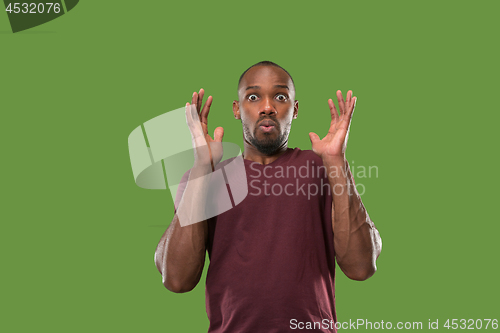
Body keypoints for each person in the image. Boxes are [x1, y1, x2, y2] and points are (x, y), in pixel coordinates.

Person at [154, 61, 382, 333]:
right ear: (237, 110)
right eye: (253, 97)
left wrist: (336, 162)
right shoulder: (206, 179)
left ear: (294, 110)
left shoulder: (324, 169)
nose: (267, 107)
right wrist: (202, 168)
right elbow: (177, 280)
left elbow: (361, 267)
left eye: (280, 97)